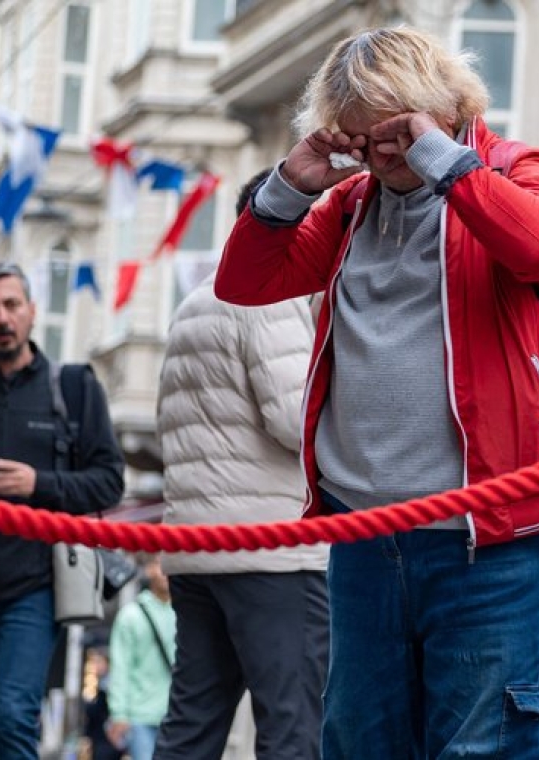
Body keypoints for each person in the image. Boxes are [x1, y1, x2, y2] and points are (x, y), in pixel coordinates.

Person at [213, 27, 539, 758]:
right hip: (365, 535)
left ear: (444, 108)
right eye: (363, 140)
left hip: (488, 535)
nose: (382, 156)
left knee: (480, 745)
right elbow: (245, 282)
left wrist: (444, 161)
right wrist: (294, 182)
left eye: (395, 134)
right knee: (363, 742)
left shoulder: (518, 167)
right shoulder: (351, 202)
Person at [152, 170, 330, 760]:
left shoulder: (193, 304)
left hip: (196, 547)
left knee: (193, 724)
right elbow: (295, 419)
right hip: (270, 549)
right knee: (293, 723)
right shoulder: (269, 295)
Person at [0, 262, 125, 759]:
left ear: (32, 311)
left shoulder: (74, 387)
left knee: (12, 715)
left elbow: (108, 483)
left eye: (11, 305)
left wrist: (36, 483)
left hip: (35, 586)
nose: (2, 318)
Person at [105, 554, 175, 760]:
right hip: (139, 717)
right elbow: (120, 667)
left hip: (177, 716)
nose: (166, 572)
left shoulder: (188, 616)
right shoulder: (130, 616)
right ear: (149, 569)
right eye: (160, 565)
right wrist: (119, 714)